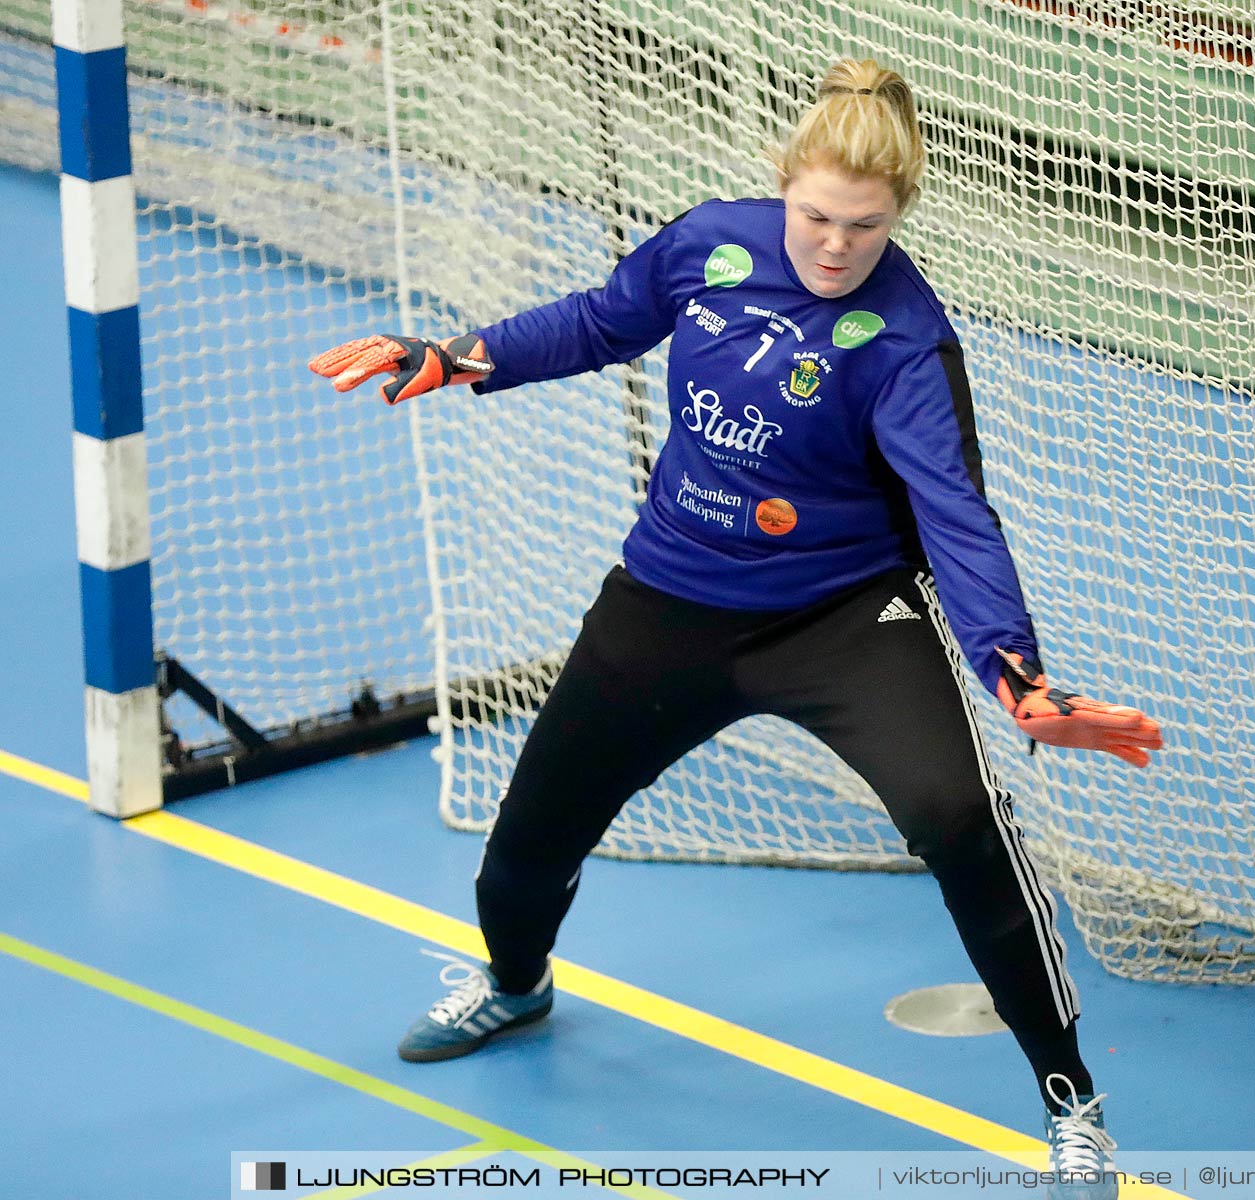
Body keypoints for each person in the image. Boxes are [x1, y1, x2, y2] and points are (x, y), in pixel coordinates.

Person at [310, 58, 1161, 1199]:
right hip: (668, 599)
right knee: (528, 840)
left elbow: (957, 511)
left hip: (844, 617)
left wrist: (1018, 674)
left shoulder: (906, 338)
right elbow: (600, 322)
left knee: (961, 817)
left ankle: (1072, 1101)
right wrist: (458, 356)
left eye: (864, 226)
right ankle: (517, 985)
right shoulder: (711, 246)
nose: (833, 245)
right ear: (783, 191)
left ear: (898, 215)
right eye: (815, 216)